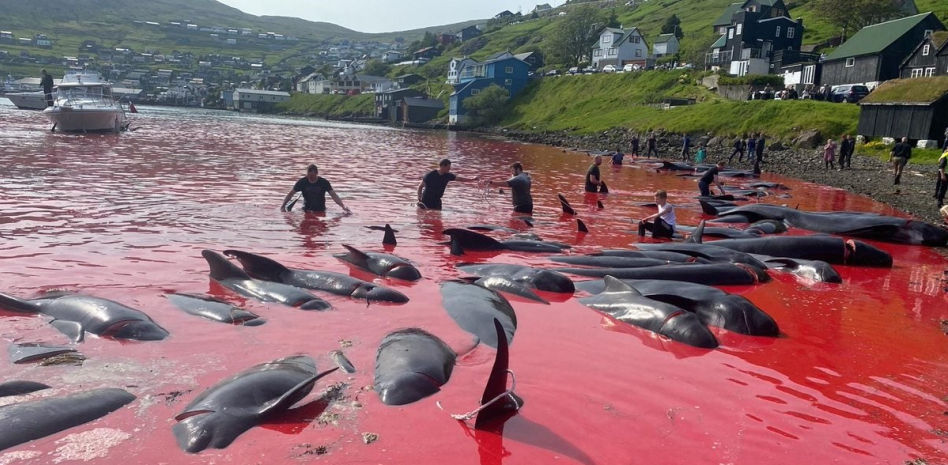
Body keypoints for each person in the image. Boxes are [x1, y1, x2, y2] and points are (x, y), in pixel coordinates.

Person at [281, 164, 350, 213]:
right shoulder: (302, 182)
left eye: (312, 176)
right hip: (306, 210)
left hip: (321, 210)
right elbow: (291, 194)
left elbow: (333, 195)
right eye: (308, 176)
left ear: (316, 173)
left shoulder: (324, 182)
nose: (310, 178)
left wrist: (342, 206)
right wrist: (283, 206)